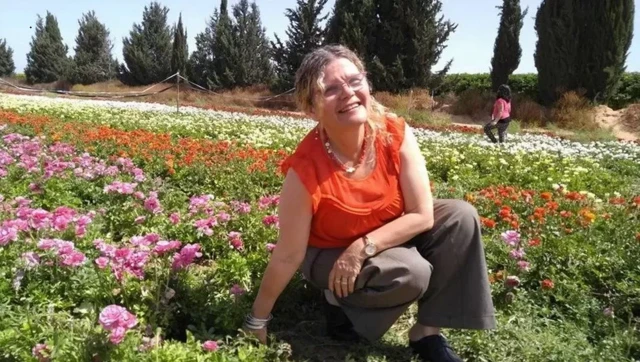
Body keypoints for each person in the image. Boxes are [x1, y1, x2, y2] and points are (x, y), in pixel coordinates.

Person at [243, 45, 496, 362]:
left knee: (461, 216)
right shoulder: (305, 169)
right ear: (312, 108)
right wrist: (257, 318)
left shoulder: (394, 133)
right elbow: (288, 255)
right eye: (331, 89)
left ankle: (427, 332)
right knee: (410, 272)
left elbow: (422, 214)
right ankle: (338, 304)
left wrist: (363, 247)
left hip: (374, 239)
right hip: (327, 253)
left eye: (354, 80)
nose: (348, 93)